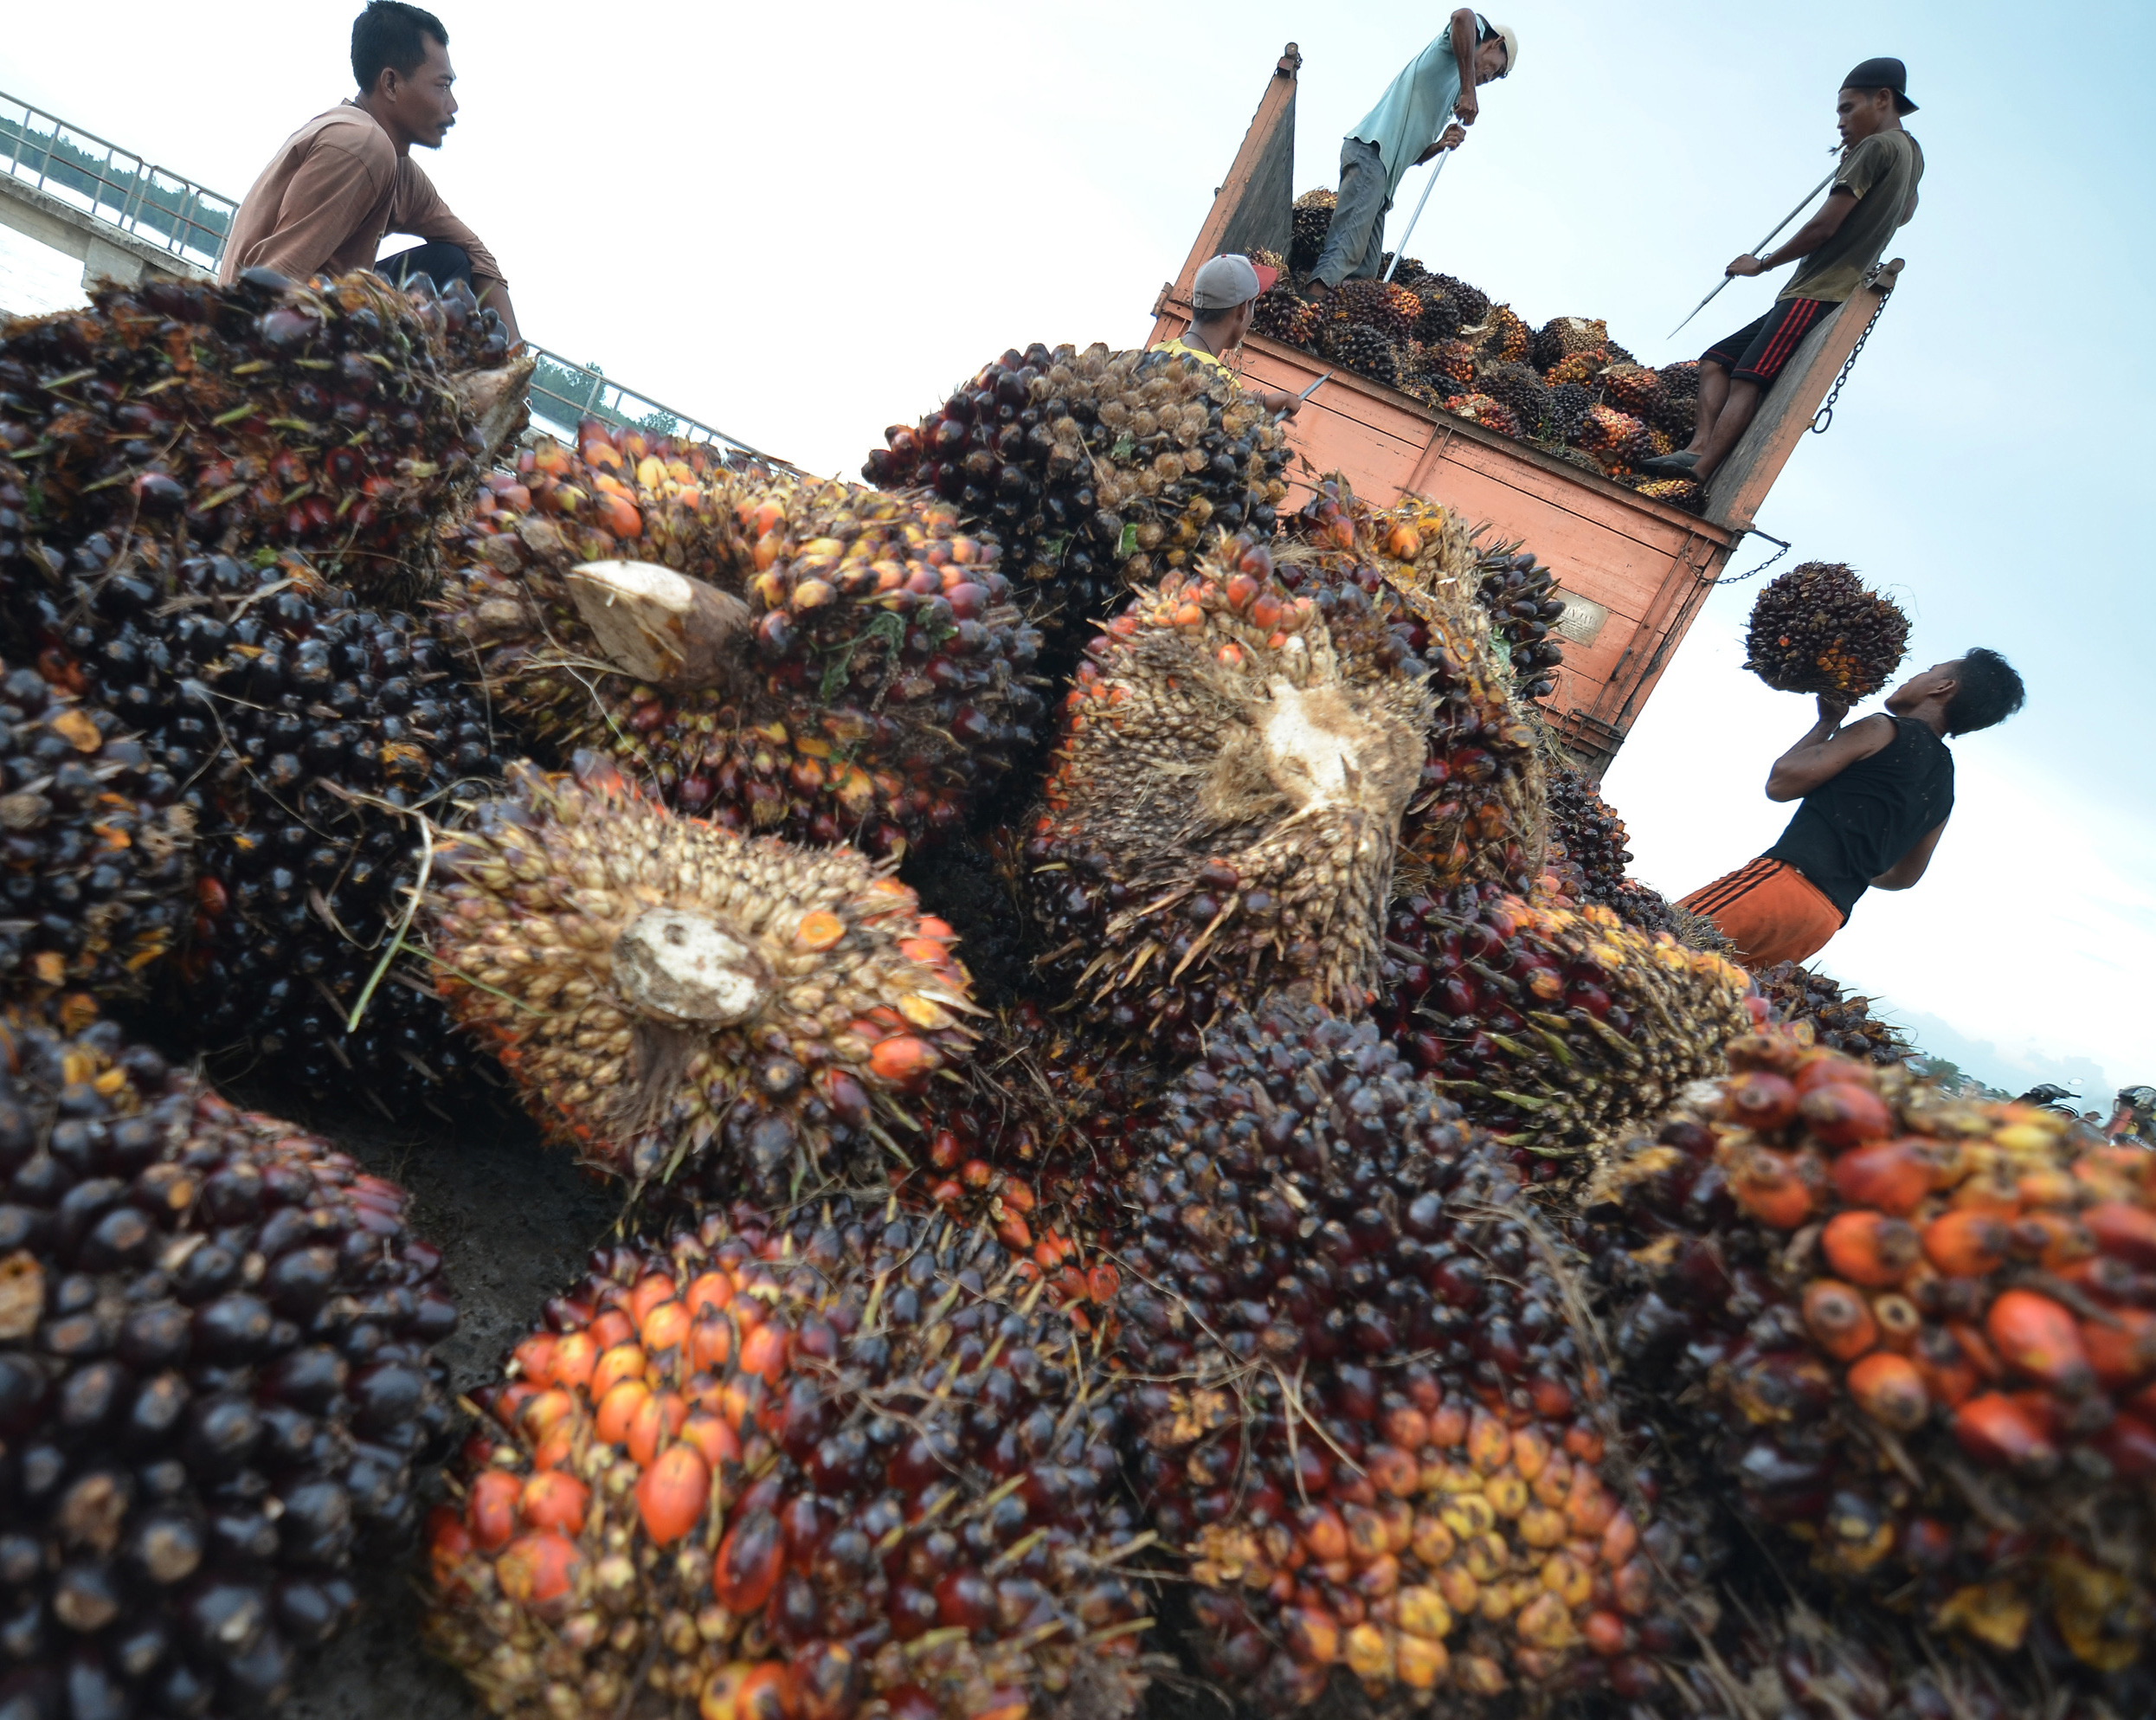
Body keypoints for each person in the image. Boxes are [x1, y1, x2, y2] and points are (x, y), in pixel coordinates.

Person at [1641, 58, 1922, 484]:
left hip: (1822, 289)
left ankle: (1701, 471)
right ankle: (1696, 448)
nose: (1841, 122)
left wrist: (1763, 263)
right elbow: (1904, 213)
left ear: (1882, 99)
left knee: (1747, 379)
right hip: (1809, 292)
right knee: (1717, 361)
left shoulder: (1876, 149)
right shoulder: (1909, 154)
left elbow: (1822, 227)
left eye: (1847, 109)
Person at [1677, 650, 2025, 970]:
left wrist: (1827, 723)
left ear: (1943, 686)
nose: (1912, 677)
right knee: (1690, 998)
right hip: (1822, 921)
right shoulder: (1945, 787)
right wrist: (1848, 863)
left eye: (1928, 670)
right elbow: (1903, 878)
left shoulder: (1881, 728)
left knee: (1653, 945)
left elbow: (1781, 784)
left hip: (1778, 888)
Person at [218, 2, 519, 340]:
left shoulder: (396, 163)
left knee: (450, 262)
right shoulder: (361, 145)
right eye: (442, 86)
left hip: (322, 312)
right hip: (272, 325)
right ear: (390, 83)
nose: (453, 107)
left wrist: (512, 363)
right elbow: (271, 283)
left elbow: (476, 254)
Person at [1306, 12, 1516, 303]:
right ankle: (1305, 310)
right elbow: (1463, 17)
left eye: (1492, 79)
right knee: (1347, 249)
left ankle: (1325, 327)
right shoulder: (1453, 50)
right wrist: (1469, 90)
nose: (1487, 78)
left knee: (1364, 273)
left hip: (1384, 180)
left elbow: (1413, 156)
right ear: (1495, 43)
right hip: (1373, 151)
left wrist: (1440, 144)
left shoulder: (1452, 89)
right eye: (1493, 69)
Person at [1153, 255, 1304, 416]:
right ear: (1243, 310)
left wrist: (1262, 402)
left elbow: (1203, 390)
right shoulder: (1222, 385)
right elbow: (1216, 393)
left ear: (1193, 304)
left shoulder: (1160, 350)